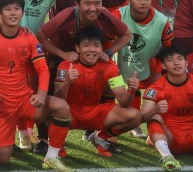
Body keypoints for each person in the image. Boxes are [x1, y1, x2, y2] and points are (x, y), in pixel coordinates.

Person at [0, 0, 73, 171]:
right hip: (0, 107)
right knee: (1, 160)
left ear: (22, 13)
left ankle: (51, 157)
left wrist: (41, 94)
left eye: (17, 9)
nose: (12, 13)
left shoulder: (29, 37)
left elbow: (42, 68)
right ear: (0, 13)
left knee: (62, 107)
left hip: (25, 101)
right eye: (8, 9)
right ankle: (4, 137)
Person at [53, 26, 144, 157]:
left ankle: (100, 137)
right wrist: (67, 82)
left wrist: (131, 90)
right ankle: (57, 143)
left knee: (135, 116)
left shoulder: (110, 66)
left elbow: (124, 102)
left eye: (96, 45)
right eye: (86, 45)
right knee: (49, 107)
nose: (91, 49)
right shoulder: (66, 65)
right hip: (69, 112)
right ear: (78, 48)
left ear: (102, 49)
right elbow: (57, 99)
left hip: (94, 112)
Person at [116, 0, 174, 88]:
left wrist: (158, 71)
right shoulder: (117, 15)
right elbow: (105, 45)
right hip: (118, 64)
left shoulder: (162, 21)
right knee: (112, 92)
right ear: (128, 0)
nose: (143, 2)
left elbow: (168, 49)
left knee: (155, 94)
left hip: (150, 63)